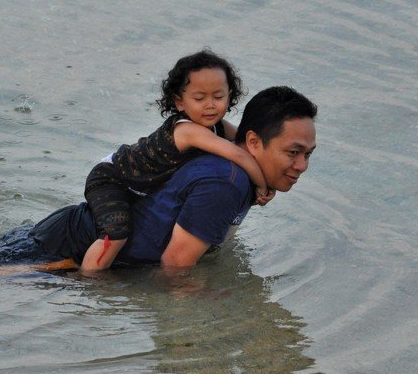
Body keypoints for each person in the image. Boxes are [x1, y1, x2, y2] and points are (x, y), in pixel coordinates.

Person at [17, 85, 318, 273]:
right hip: (64, 251)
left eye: (308, 154)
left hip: (69, 231)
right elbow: (175, 268)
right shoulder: (227, 182)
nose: (302, 165)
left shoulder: (235, 174)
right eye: (293, 152)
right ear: (252, 142)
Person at [82, 50, 274, 271]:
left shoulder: (217, 126)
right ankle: (89, 280)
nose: (210, 105)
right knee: (116, 234)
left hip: (138, 186)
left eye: (219, 97)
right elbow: (239, 155)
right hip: (111, 178)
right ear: (179, 102)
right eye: (199, 98)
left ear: (230, 95)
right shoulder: (186, 130)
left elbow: (245, 143)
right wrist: (262, 185)